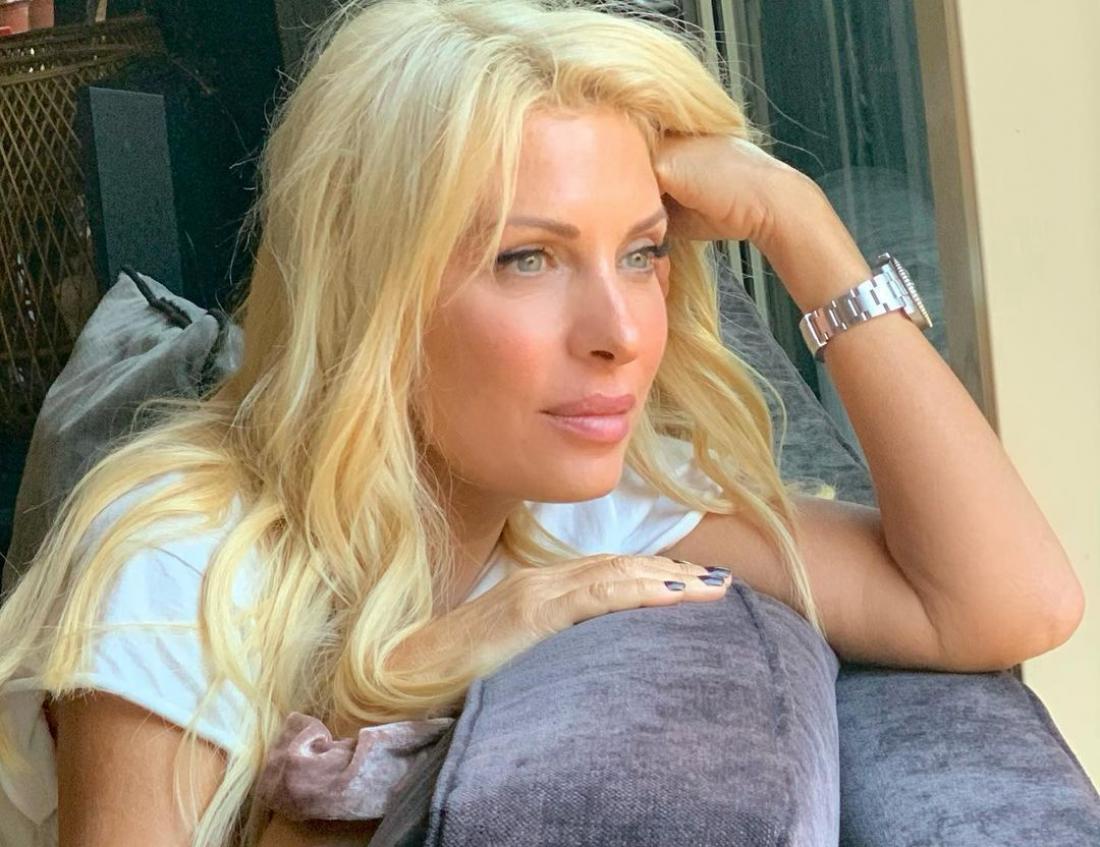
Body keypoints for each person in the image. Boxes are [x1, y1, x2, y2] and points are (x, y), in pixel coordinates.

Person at [0, 0, 1083, 845]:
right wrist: (425, 660)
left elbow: (1005, 601)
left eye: (643, 251)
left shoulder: (589, 502)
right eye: (527, 257)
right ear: (372, 291)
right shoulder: (182, 560)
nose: (622, 333)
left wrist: (797, 220)